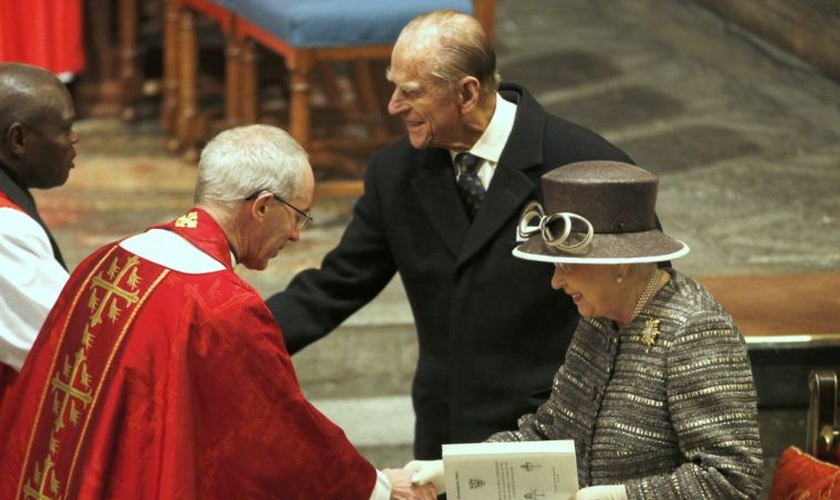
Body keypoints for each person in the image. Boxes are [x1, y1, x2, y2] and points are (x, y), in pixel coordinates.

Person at [265, 9, 635, 460]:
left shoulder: (584, 167)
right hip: (446, 431)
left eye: (411, 92)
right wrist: (237, 340)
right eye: (393, 87)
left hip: (553, 428)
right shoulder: (395, 173)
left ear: (466, 92)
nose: (393, 106)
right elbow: (336, 285)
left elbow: (639, 299)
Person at [0, 124, 438, 500]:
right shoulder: (221, 306)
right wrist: (376, 487)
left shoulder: (108, 258)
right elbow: (278, 435)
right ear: (262, 206)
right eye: (299, 216)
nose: (297, 236)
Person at [406, 161, 765, 499]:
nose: (556, 281)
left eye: (567, 264)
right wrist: (457, 469)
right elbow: (550, 432)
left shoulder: (696, 329)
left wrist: (625, 496)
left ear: (620, 262)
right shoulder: (599, 317)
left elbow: (731, 479)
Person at [0, 62, 78, 411]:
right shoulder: (6, 231)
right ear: (19, 140)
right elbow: (65, 343)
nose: (74, 140)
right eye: (65, 129)